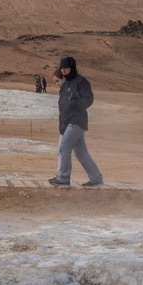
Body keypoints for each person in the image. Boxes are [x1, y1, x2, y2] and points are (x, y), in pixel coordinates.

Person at [50, 55, 103, 187]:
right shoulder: (65, 84)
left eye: (66, 67)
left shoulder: (81, 81)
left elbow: (89, 99)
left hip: (77, 121)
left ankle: (63, 177)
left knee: (64, 147)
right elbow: (63, 106)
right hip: (67, 122)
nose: (64, 70)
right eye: (62, 68)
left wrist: (77, 102)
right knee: (80, 153)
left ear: (72, 68)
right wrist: (62, 125)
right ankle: (96, 178)